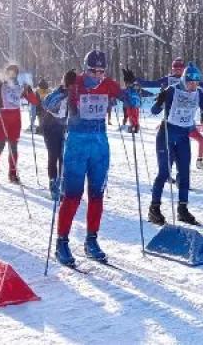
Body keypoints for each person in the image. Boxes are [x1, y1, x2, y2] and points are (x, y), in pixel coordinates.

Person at [47, 50, 137, 267]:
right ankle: (62, 242)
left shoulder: (109, 84)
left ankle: (91, 241)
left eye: (101, 71)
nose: (97, 75)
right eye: (93, 70)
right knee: (72, 196)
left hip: (99, 145)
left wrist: (131, 86)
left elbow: (133, 102)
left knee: (96, 195)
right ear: (85, 68)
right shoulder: (75, 83)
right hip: (77, 144)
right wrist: (63, 88)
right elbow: (48, 104)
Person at [147, 62, 203, 226]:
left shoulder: (198, 94)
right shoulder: (172, 90)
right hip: (166, 134)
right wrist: (160, 101)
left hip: (183, 136)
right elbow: (154, 111)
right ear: (184, 80)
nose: (193, 86)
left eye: (196, 83)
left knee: (184, 173)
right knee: (164, 173)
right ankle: (154, 208)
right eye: (190, 82)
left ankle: (182, 209)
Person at [134, 57, 203, 168]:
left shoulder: (191, 79)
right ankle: (168, 171)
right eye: (175, 68)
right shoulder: (169, 80)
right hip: (171, 120)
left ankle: (198, 162)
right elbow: (151, 83)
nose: (177, 70)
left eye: (180, 68)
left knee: (200, 140)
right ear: (172, 68)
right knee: (172, 149)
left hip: (187, 121)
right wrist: (136, 80)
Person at [0, 64, 40, 185]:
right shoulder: (1, 84)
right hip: (2, 118)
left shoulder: (20, 86)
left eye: (14, 73)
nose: (12, 75)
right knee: (0, 146)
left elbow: (34, 102)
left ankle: (12, 173)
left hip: (15, 119)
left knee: (13, 147)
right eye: (9, 72)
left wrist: (29, 91)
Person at [41, 74, 72, 201]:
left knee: (64, 157)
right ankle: (53, 183)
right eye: (68, 83)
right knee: (53, 155)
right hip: (50, 128)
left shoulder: (76, 93)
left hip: (65, 128)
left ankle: (63, 184)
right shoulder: (57, 93)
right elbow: (46, 103)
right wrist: (62, 92)